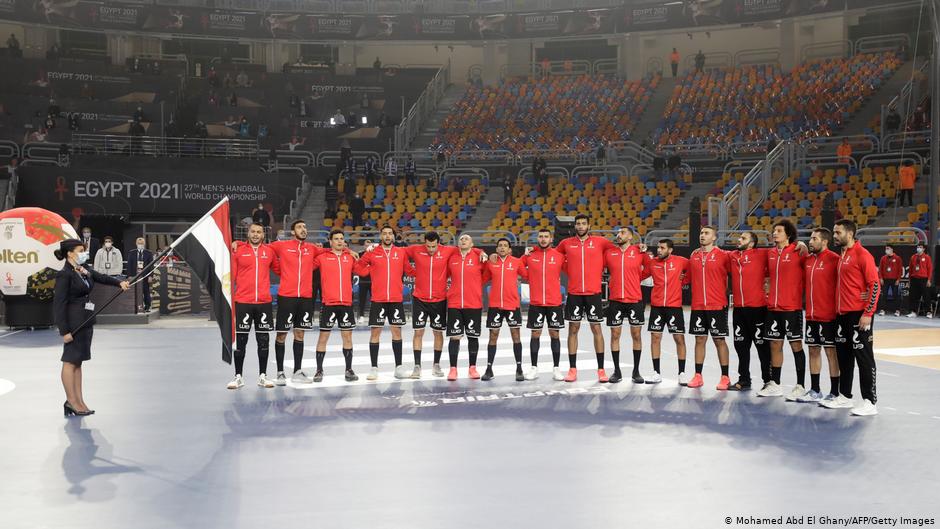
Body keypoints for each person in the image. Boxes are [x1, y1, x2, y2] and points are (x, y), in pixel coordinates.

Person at [54, 239, 130, 416]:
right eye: (81, 250)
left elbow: (100, 277)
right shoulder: (65, 275)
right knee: (70, 360)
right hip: (73, 323)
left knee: (78, 362)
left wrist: (119, 283)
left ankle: (79, 400)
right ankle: (71, 401)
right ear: (70, 253)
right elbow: (59, 305)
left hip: (85, 320)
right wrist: (64, 331)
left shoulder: (82, 270)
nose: (84, 254)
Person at [824, 219, 880, 416]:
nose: (835, 236)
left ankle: (870, 401)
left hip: (858, 315)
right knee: (844, 358)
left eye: (838, 232)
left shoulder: (862, 255)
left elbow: (874, 285)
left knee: (864, 358)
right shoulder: (842, 255)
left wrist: (867, 313)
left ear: (850, 233)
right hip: (841, 315)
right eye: (834, 232)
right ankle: (845, 397)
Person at [555, 214, 615, 382]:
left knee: (597, 329)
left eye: (583, 223)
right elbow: (552, 256)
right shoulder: (565, 244)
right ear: (575, 226)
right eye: (578, 224)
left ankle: (601, 370)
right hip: (574, 294)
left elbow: (619, 250)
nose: (581, 226)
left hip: (593, 293)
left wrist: (639, 247)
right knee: (573, 330)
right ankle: (572, 369)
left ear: (589, 225)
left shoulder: (600, 241)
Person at [267, 220, 328, 384]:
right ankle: (280, 373)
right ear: (293, 232)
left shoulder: (311, 248)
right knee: (282, 334)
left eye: (305, 227)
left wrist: (348, 250)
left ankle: (297, 371)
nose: (303, 229)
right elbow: (263, 249)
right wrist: (239, 243)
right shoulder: (282, 245)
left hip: (306, 297)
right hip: (287, 296)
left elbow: (330, 251)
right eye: (300, 227)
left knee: (300, 333)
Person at [355, 226, 414, 380]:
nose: (387, 236)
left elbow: (409, 271)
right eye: (385, 233)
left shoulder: (401, 252)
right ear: (381, 236)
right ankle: (374, 368)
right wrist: (368, 269)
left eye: (390, 234)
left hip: (395, 300)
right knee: (375, 333)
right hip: (378, 300)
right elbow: (359, 268)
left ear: (394, 237)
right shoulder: (373, 252)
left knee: (397, 333)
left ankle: (398, 367)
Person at [758, 219, 807, 399]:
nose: (774, 233)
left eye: (778, 231)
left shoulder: (798, 251)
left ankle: (800, 385)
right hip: (773, 308)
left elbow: (810, 259)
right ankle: (775, 384)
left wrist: (802, 244)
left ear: (788, 234)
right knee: (775, 344)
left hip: (791, 308)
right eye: (774, 231)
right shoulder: (769, 253)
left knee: (795, 345)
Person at [229, 224, 279, 389]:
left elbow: (280, 269)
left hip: (264, 302)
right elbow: (232, 276)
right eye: (253, 231)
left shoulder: (269, 251)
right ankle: (238, 377)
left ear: (263, 235)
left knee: (263, 341)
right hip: (243, 301)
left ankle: (263, 376)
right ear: (248, 233)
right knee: (241, 341)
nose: (256, 234)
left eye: (259, 232)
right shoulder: (239, 250)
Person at [603, 227, 653, 384]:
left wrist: (637, 278)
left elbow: (650, 268)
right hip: (616, 300)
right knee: (615, 335)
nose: (619, 235)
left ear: (631, 236)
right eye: (617, 233)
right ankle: (617, 371)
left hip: (634, 299)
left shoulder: (639, 252)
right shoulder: (610, 253)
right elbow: (599, 268)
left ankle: (636, 371)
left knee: (636, 335)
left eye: (623, 232)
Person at [311, 230, 360, 382]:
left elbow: (362, 270)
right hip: (328, 304)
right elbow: (307, 261)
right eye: (336, 239)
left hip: (346, 304)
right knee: (323, 337)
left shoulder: (350, 258)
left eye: (341, 239)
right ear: (330, 241)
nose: (339, 241)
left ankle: (349, 369)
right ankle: (319, 370)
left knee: (347, 337)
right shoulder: (322, 257)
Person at [687, 226, 732, 390]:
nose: (702, 235)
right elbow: (687, 278)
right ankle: (698, 376)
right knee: (699, 339)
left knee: (719, 340)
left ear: (714, 237)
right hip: (698, 305)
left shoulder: (724, 255)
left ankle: (725, 377)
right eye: (701, 233)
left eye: (706, 233)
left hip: (717, 304)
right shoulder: (694, 255)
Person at [405, 232, 455, 377]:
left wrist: (482, 252)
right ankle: (417, 366)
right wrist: (410, 271)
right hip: (420, 298)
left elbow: (466, 249)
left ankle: (436, 365)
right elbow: (398, 252)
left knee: (438, 332)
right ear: (424, 242)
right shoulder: (416, 249)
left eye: (433, 246)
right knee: (418, 332)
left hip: (439, 299)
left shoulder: (448, 250)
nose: (431, 249)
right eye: (428, 246)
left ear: (439, 243)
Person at [800, 227, 841, 404]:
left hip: (829, 316)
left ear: (824, 241)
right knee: (813, 350)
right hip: (811, 316)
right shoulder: (808, 260)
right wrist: (801, 245)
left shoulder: (835, 259)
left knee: (831, 353)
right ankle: (815, 390)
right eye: (810, 238)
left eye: (814, 239)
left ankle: (834, 392)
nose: (811, 241)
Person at [521, 229, 566, 380]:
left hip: (554, 302)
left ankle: (556, 368)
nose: (543, 239)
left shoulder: (559, 256)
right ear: (537, 239)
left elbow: (571, 269)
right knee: (535, 334)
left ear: (551, 239)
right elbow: (517, 265)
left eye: (546, 236)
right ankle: (534, 368)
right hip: (537, 302)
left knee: (555, 334)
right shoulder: (530, 255)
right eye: (540, 237)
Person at [729, 232, 771, 391]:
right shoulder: (732, 256)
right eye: (739, 238)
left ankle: (768, 381)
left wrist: (799, 245)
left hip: (758, 309)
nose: (739, 240)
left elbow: (783, 250)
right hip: (739, 309)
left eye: (743, 238)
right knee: (741, 346)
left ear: (752, 243)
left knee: (762, 346)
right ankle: (744, 379)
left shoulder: (761, 254)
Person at [483, 238, 527, 381]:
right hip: (495, 306)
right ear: (496, 249)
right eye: (500, 246)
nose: (502, 248)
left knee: (516, 336)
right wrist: (485, 261)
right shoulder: (491, 262)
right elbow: (483, 278)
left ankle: (519, 368)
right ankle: (489, 369)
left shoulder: (516, 262)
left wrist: (528, 256)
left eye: (505, 246)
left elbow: (527, 276)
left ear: (510, 249)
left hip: (512, 305)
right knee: (493, 336)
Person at [443, 234, 486, 381]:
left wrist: (481, 252)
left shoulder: (479, 257)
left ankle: (472, 368)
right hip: (455, 304)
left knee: (472, 337)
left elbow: (487, 274)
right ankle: (453, 369)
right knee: (454, 337)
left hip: (473, 304)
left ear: (472, 243)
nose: (463, 240)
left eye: (467, 238)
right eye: (461, 239)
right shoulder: (452, 257)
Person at [648, 238, 690, 384]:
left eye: (662, 248)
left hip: (674, 306)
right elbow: (640, 271)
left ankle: (682, 373)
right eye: (658, 247)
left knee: (679, 338)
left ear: (670, 250)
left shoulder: (681, 261)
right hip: (657, 306)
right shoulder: (652, 262)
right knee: (655, 338)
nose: (659, 250)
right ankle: (656, 373)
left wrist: (684, 280)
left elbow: (693, 268)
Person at [124, 237, 154, 313]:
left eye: (141, 243)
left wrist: (150, 276)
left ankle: (147, 306)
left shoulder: (149, 253)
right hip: (134, 275)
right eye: (139, 243)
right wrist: (129, 276)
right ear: (136, 244)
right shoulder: (132, 252)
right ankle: (134, 306)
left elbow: (151, 265)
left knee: (146, 291)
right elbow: (129, 265)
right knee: (134, 292)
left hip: (145, 275)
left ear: (144, 244)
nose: (140, 245)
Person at [907, 243, 933, 318]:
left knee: (926, 296)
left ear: (923, 249)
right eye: (918, 247)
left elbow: (930, 269)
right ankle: (913, 312)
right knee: (913, 296)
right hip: (914, 278)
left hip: (923, 279)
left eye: (920, 247)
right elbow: (911, 269)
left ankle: (929, 312)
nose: (918, 248)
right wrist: (909, 280)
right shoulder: (913, 257)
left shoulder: (927, 257)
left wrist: (928, 280)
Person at [878, 244, 903, 316]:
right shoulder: (883, 258)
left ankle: (897, 310)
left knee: (896, 295)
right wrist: (881, 278)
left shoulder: (897, 258)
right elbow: (880, 269)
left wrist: (898, 279)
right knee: (884, 295)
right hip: (885, 279)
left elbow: (900, 270)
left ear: (892, 249)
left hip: (894, 280)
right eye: (886, 248)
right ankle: (882, 310)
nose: (886, 250)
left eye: (888, 248)